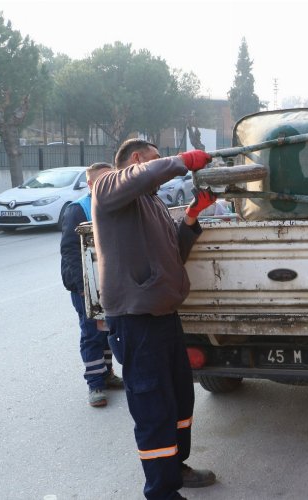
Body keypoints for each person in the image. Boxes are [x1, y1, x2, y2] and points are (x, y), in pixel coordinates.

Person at [92, 140, 218, 499]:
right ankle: (161, 491)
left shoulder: (151, 203)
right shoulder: (107, 186)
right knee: (153, 408)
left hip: (164, 313)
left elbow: (173, 253)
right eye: (154, 159)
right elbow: (135, 177)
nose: (161, 168)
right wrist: (181, 161)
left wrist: (192, 216)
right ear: (135, 160)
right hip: (135, 320)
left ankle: (176, 466)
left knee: (179, 400)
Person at [60, 161, 124, 408]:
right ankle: (95, 384)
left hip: (108, 282)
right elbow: (70, 251)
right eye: (101, 180)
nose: (108, 184)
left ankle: (107, 374)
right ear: (89, 184)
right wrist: (83, 287)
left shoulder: (116, 204)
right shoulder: (78, 209)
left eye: (112, 178)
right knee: (90, 333)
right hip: (85, 285)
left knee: (106, 330)